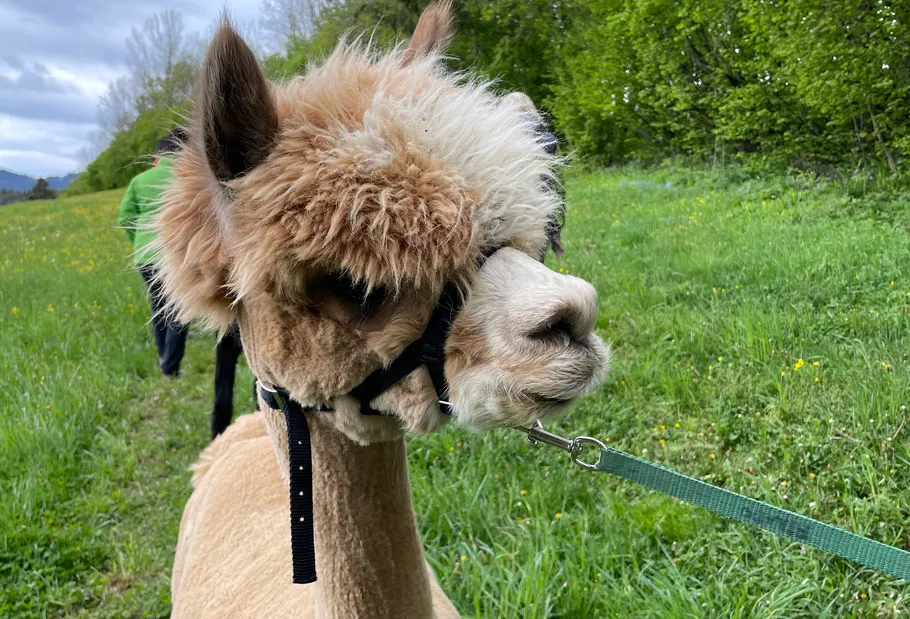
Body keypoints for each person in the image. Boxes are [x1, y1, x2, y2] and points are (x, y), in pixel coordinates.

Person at [118, 129, 189, 377]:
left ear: (158, 155)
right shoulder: (186, 177)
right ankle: (170, 367)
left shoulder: (140, 180)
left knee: (159, 307)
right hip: (175, 256)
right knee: (180, 310)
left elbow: (126, 217)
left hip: (145, 258)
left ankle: (164, 358)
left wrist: (139, 242)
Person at [501, 92, 565, 261]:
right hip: (539, 214)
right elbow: (551, 187)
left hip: (508, 216)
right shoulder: (545, 139)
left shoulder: (499, 134)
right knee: (536, 257)